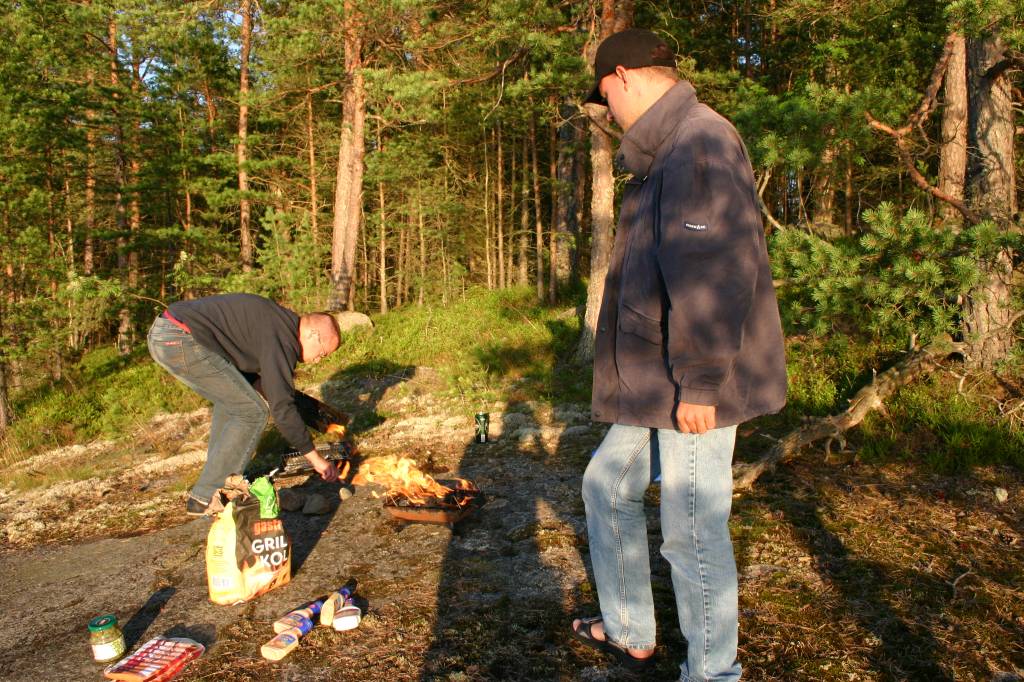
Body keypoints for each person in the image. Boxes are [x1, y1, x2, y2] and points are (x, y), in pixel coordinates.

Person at [570, 29, 787, 681]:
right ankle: (631, 628)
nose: (606, 112)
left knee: (692, 529)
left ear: (624, 76)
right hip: (656, 378)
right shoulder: (668, 151)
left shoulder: (699, 143)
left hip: (693, 380)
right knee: (607, 484)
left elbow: (713, 272)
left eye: (604, 96)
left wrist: (700, 382)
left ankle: (713, 672)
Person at [147, 293, 342, 516]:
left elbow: (254, 383)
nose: (317, 360)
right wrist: (315, 459)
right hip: (181, 338)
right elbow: (281, 408)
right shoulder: (282, 337)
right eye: (322, 353)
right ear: (313, 334)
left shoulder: (277, 325)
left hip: (167, 332)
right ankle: (206, 496)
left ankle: (216, 483)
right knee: (253, 412)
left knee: (236, 402)